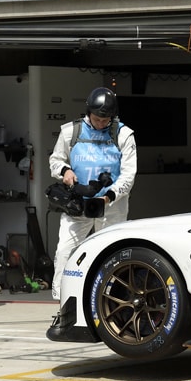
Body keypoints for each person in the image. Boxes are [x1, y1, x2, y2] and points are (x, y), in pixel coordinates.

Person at [48, 87, 137, 300]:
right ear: (88, 112)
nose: (101, 124)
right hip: (78, 204)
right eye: (97, 119)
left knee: (112, 254)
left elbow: (129, 174)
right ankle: (61, 299)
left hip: (111, 206)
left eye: (106, 120)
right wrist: (65, 171)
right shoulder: (71, 131)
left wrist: (108, 197)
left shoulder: (124, 134)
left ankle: (110, 300)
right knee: (65, 251)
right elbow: (55, 160)